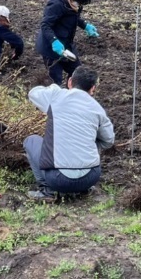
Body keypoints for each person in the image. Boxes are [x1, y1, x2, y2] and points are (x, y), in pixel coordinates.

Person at [23, 66, 114, 200]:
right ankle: (84, 190)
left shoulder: (56, 96)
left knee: (31, 140)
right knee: (95, 137)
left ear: (70, 81)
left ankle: (48, 191)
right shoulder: (98, 109)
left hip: (57, 179)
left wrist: (54, 88)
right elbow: (108, 141)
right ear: (93, 88)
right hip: (90, 178)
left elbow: (33, 93)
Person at [35, 0, 99, 86]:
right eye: (79, 3)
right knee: (55, 81)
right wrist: (54, 41)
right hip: (51, 47)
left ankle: (73, 97)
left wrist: (85, 25)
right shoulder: (56, 4)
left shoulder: (75, 3)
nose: (79, 6)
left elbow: (73, 18)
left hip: (67, 44)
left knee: (77, 74)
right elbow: (45, 24)